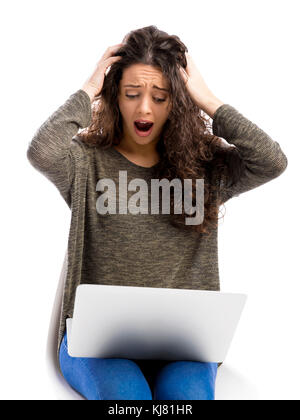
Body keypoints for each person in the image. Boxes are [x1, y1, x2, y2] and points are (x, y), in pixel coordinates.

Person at [27, 25, 288, 400]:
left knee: (189, 400)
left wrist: (209, 100)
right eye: (132, 93)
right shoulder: (85, 163)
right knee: (129, 399)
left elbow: (272, 162)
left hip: (184, 349)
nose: (144, 107)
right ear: (115, 94)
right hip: (97, 347)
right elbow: (42, 151)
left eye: (161, 96)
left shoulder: (206, 166)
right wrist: (88, 89)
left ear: (178, 102)